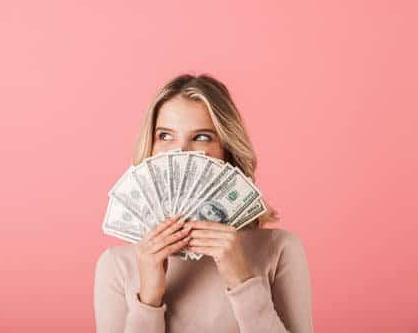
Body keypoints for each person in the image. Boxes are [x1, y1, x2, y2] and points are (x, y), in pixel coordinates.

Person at [94, 74, 313, 332]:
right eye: (165, 136)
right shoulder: (117, 265)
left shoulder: (278, 249)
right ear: (150, 146)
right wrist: (148, 300)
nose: (181, 151)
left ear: (227, 149)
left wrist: (242, 280)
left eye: (202, 137)